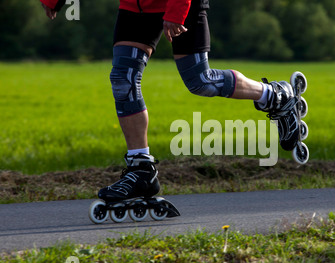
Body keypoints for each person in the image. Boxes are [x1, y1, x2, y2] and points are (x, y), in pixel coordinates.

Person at [40, 0, 301, 202]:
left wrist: (176, 12)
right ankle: (141, 168)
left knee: (201, 81)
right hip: (136, 6)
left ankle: (276, 95)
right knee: (123, 78)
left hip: (180, 4)